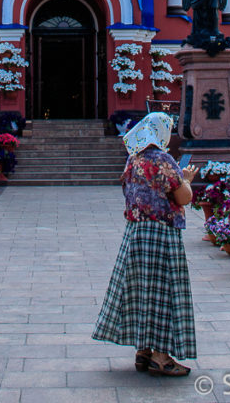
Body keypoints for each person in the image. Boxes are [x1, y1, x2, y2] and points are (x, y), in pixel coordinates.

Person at [92, 112, 198, 376]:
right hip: (161, 234)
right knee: (163, 292)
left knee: (142, 290)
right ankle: (161, 357)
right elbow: (183, 198)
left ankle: (143, 351)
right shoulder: (164, 160)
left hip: (135, 234)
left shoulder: (133, 160)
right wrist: (186, 178)